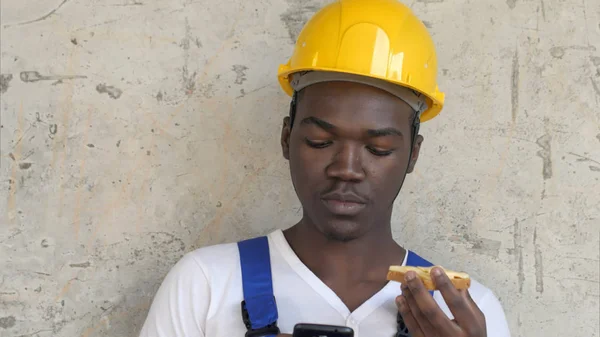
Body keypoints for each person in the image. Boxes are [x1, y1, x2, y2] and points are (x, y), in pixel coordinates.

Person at [139, 0, 511, 336]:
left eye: (378, 148)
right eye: (320, 141)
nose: (346, 169)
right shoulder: (205, 285)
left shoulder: (464, 313)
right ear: (286, 138)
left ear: (413, 154)